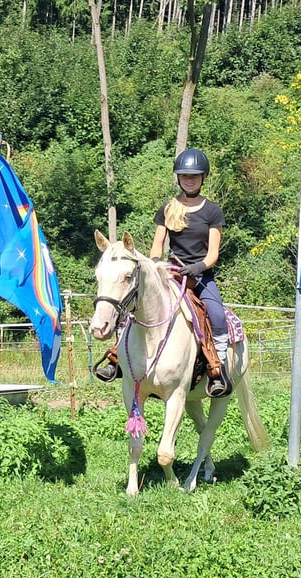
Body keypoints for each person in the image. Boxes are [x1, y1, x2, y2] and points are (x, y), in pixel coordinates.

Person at [94, 148, 232, 397]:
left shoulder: (212, 211)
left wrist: (199, 267)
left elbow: (213, 253)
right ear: (178, 178)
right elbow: (157, 245)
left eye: (194, 175)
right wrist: (156, 264)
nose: (189, 180)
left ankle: (217, 369)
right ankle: (117, 359)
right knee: (131, 306)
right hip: (171, 272)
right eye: (185, 175)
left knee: (217, 315)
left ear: (203, 177)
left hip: (200, 276)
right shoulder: (168, 208)